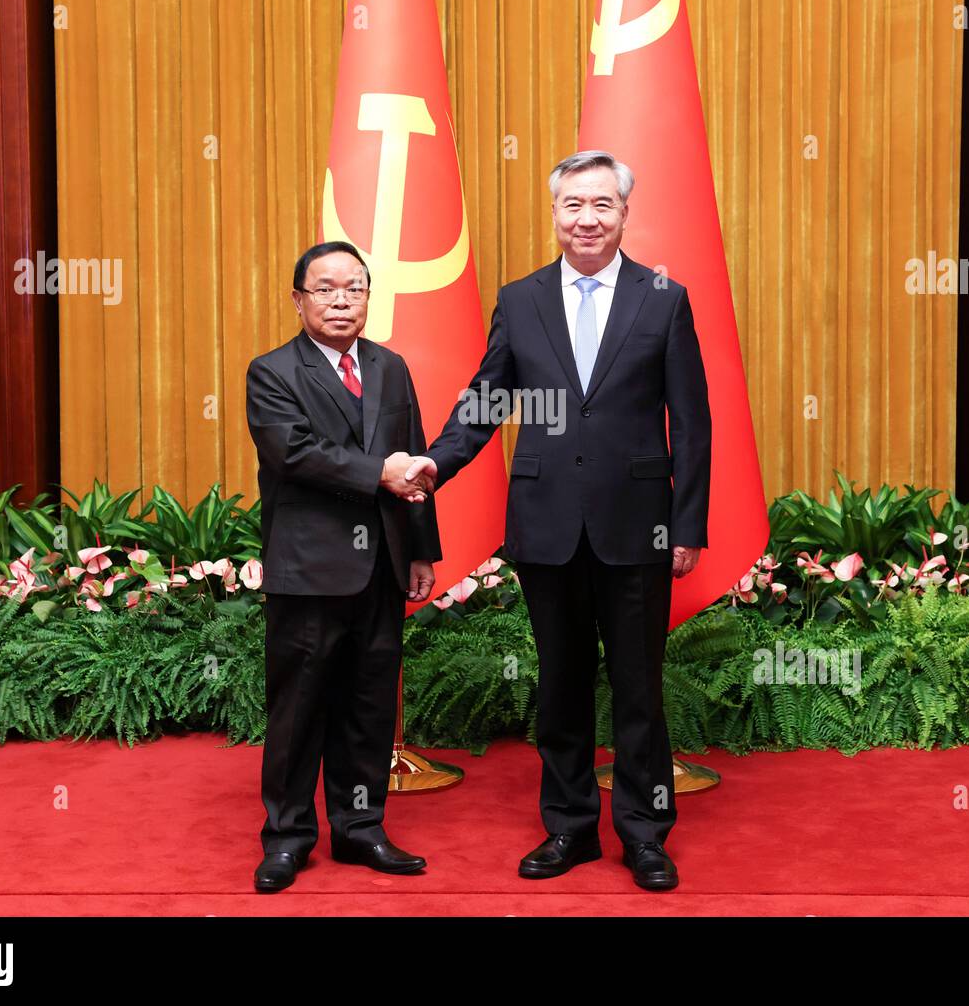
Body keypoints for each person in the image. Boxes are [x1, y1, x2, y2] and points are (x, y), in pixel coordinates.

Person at [406, 150, 711, 891]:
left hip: (638, 527)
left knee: (639, 688)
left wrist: (688, 524)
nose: (587, 218)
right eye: (573, 204)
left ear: (624, 213)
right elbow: (486, 399)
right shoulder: (521, 300)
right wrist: (435, 464)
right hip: (547, 526)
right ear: (554, 213)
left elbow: (693, 422)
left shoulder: (664, 298)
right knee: (561, 685)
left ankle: (644, 835)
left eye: (602, 204)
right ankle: (568, 828)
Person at [245, 240, 441, 893]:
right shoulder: (271, 372)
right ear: (298, 298)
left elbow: (411, 462)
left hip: (381, 565)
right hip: (309, 568)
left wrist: (420, 547)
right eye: (325, 288)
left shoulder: (390, 367)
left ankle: (361, 832)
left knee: (368, 706)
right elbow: (294, 453)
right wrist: (375, 473)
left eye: (353, 288)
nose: (340, 300)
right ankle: (288, 838)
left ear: (367, 295)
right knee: (299, 708)